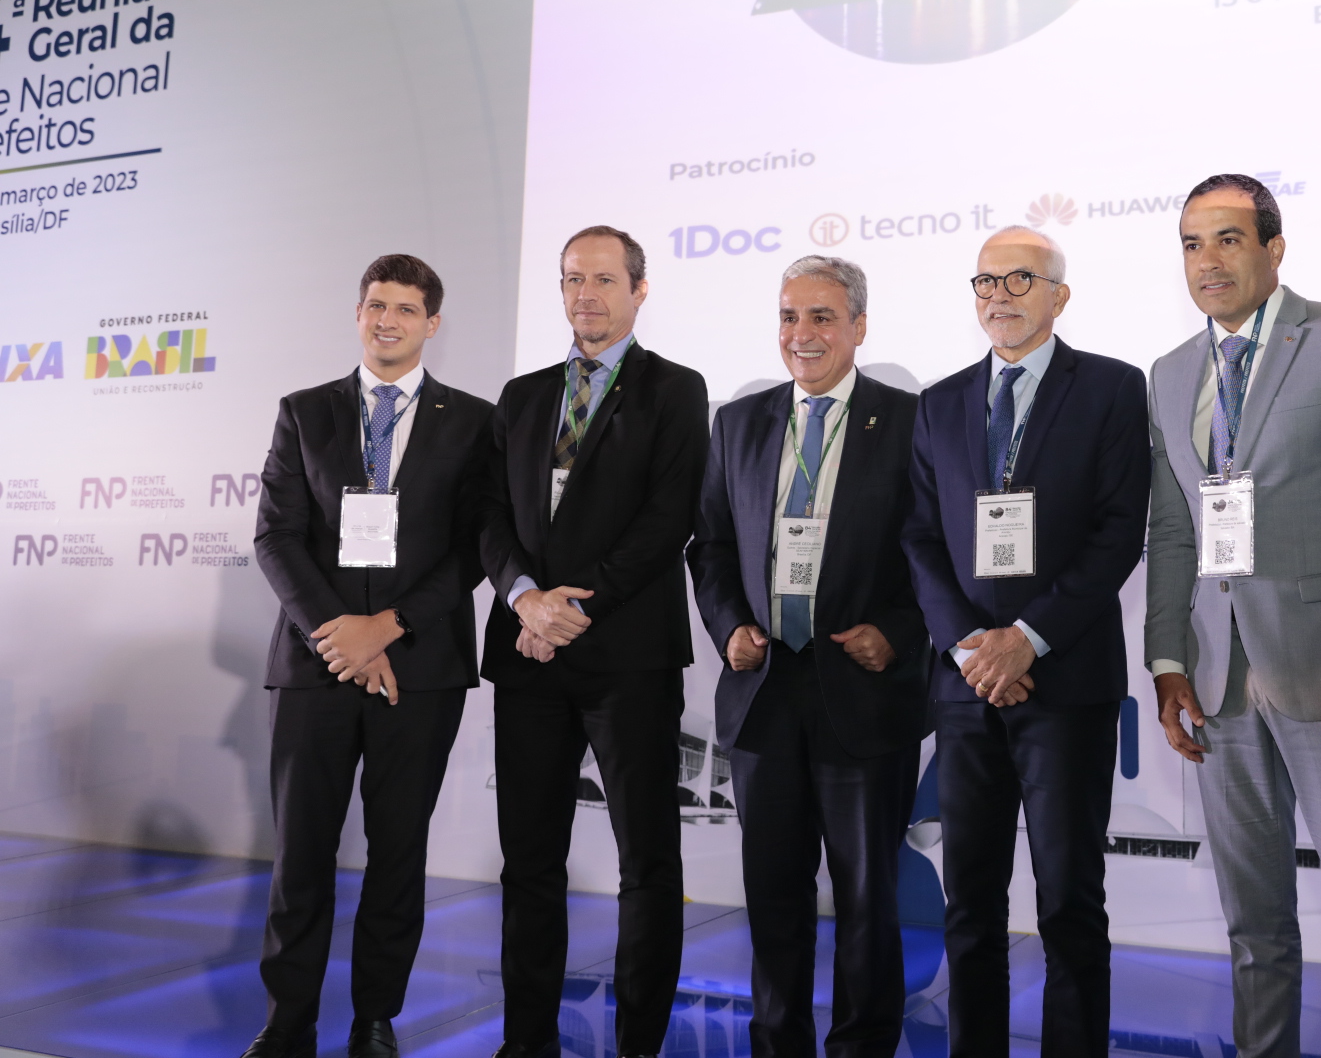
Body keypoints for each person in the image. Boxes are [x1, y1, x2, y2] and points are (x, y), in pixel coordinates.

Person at [1144, 175, 1321, 1058]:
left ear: (1273, 247)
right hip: (1218, 681)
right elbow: (1173, 527)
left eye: (1228, 239)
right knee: (1252, 927)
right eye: (1192, 244)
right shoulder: (1171, 372)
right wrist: (1167, 662)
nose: (1208, 261)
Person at [901, 226, 1149, 1058]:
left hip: (1065, 684)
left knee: (1069, 903)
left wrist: (1028, 640)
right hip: (967, 687)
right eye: (985, 281)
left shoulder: (1112, 388)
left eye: (1018, 279)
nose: (998, 296)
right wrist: (973, 646)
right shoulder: (939, 402)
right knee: (969, 905)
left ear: (1058, 296)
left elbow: (1118, 531)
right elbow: (920, 537)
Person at [249, 255, 494, 1058]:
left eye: (406, 309)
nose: (388, 320)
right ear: (359, 314)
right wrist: (338, 633)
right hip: (313, 663)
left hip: (419, 667)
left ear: (432, 324)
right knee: (301, 857)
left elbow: (474, 548)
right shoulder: (304, 411)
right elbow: (277, 537)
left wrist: (386, 626)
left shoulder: (474, 421)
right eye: (376, 305)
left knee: (398, 853)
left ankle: (374, 1020)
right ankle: (287, 1024)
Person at [477, 225, 710, 1058]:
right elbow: (490, 517)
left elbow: (669, 518)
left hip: (628, 660)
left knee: (646, 865)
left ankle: (638, 1044)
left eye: (605, 279)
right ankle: (526, 1043)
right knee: (529, 865)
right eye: (574, 278)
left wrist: (578, 607)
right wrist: (526, 600)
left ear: (639, 290)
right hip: (528, 656)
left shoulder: (675, 390)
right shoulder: (522, 396)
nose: (587, 294)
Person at [688, 255, 930, 1058]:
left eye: (822, 317)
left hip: (863, 689)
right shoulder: (739, 422)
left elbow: (934, 549)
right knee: (773, 898)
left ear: (858, 326)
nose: (803, 333)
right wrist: (728, 626)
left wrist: (897, 629)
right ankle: (777, 1043)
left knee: (867, 900)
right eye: (790, 316)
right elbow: (711, 546)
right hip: (764, 691)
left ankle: (862, 1046)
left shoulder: (909, 421)